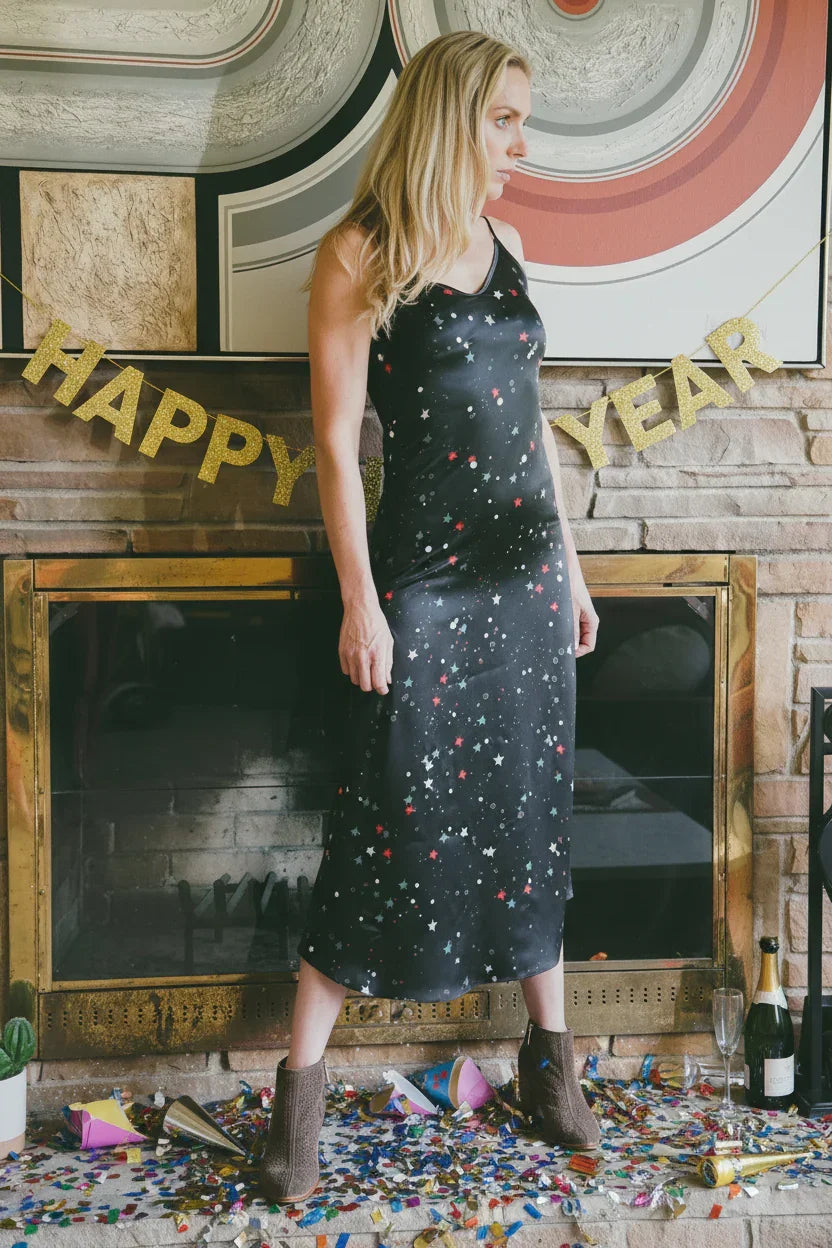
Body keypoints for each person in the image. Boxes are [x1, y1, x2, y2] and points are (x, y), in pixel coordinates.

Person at [260, 29, 601, 1205]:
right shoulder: (359, 254)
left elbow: (535, 424)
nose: (520, 140)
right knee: (382, 833)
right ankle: (294, 1103)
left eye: (523, 117)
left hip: (525, 587)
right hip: (427, 589)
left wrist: (574, 569)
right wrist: (361, 599)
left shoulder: (508, 244)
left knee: (529, 817)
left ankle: (548, 1073)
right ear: (450, 118)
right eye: (504, 117)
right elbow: (337, 447)